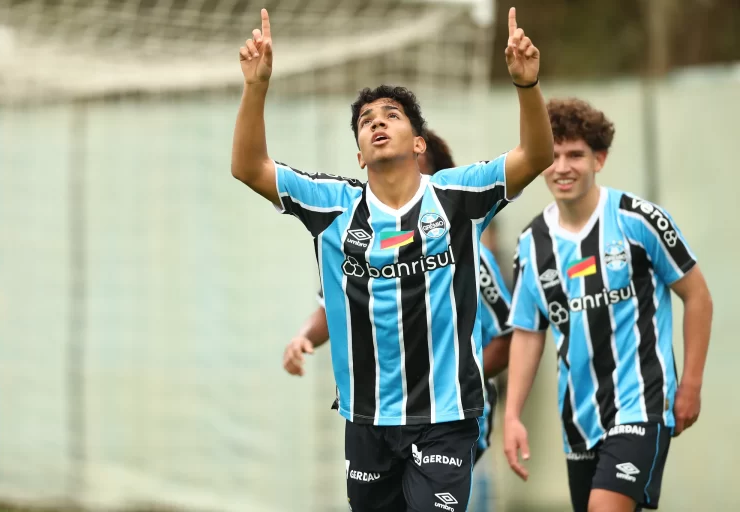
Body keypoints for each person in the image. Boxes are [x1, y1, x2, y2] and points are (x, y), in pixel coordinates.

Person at [231, 7, 553, 511]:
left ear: (418, 143)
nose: (377, 123)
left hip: (446, 418)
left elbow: (535, 156)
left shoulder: (457, 195)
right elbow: (248, 167)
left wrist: (526, 87)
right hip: (366, 422)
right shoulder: (332, 205)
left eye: (391, 116)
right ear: (359, 153)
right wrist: (256, 86)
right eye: (366, 121)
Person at [502, 98, 713, 512]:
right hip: (578, 418)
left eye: (575, 154)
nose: (562, 167)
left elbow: (698, 296)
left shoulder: (639, 220)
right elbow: (528, 333)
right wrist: (511, 415)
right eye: (553, 155)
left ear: (599, 158)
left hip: (643, 402)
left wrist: (690, 383)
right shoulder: (532, 244)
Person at [281, 130, 513, 466]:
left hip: (454, 414)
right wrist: (302, 337)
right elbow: (334, 305)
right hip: (385, 414)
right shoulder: (370, 246)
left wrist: (451, 381)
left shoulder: (468, 254)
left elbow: (508, 336)